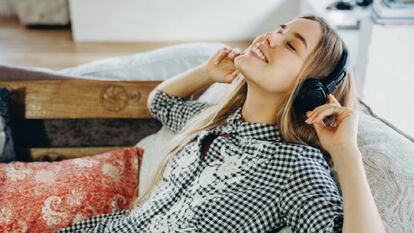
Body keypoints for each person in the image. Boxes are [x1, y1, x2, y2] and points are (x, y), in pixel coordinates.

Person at [59, 14, 386, 233]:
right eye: (279, 31)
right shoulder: (217, 122)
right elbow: (160, 102)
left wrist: (345, 151)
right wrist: (206, 73)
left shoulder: (295, 167)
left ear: (311, 90)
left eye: (290, 45)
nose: (270, 38)